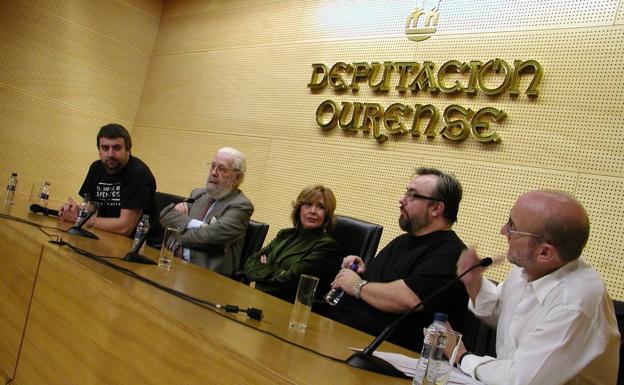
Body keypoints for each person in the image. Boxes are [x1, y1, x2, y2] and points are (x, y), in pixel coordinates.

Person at [451, 190, 620, 385]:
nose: (503, 230)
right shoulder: (529, 269)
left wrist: (462, 356)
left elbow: (521, 380)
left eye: (512, 227)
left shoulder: (574, 302)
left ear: (544, 252)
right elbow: (505, 314)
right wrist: (474, 282)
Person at [329, 167, 468, 352]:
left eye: (413, 196)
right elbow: (384, 282)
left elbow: (409, 298)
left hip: (388, 355)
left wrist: (357, 285)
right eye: (406, 193)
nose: (402, 201)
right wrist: (363, 269)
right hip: (343, 335)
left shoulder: (452, 253)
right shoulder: (403, 241)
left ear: (436, 208)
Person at [160, 147, 253, 275]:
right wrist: (195, 224)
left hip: (204, 275)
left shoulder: (241, 205)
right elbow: (165, 215)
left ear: (237, 178)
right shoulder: (199, 194)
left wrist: (176, 233)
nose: (214, 172)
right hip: (172, 263)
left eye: (222, 169)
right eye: (213, 166)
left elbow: (209, 236)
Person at [244, 185, 341, 302]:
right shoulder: (285, 234)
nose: (313, 211)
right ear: (299, 208)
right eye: (308, 204)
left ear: (327, 215)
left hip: (286, 305)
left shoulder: (326, 246)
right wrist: (280, 272)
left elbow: (290, 280)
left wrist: (265, 267)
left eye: (320, 207)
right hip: (259, 296)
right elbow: (250, 262)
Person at [58, 123, 157, 237]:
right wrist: (75, 211)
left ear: (128, 150)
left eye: (117, 148)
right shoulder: (96, 168)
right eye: (105, 148)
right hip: (106, 235)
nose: (110, 154)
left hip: (140, 245)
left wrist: (78, 219)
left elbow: (124, 227)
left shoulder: (139, 174)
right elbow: (90, 208)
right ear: (99, 151)